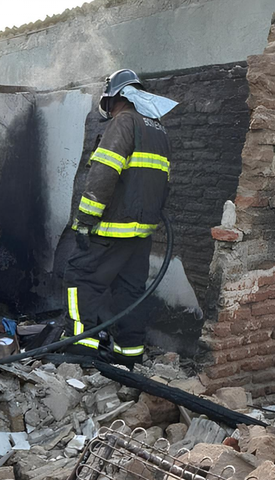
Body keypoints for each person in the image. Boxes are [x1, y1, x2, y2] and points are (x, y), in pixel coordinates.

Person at [61, 69, 177, 366]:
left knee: (80, 280)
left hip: (110, 228)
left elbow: (103, 173)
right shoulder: (158, 130)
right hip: (141, 234)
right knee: (130, 291)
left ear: (115, 98)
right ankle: (129, 356)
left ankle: (79, 350)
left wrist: (86, 220)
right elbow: (165, 182)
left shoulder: (123, 122)